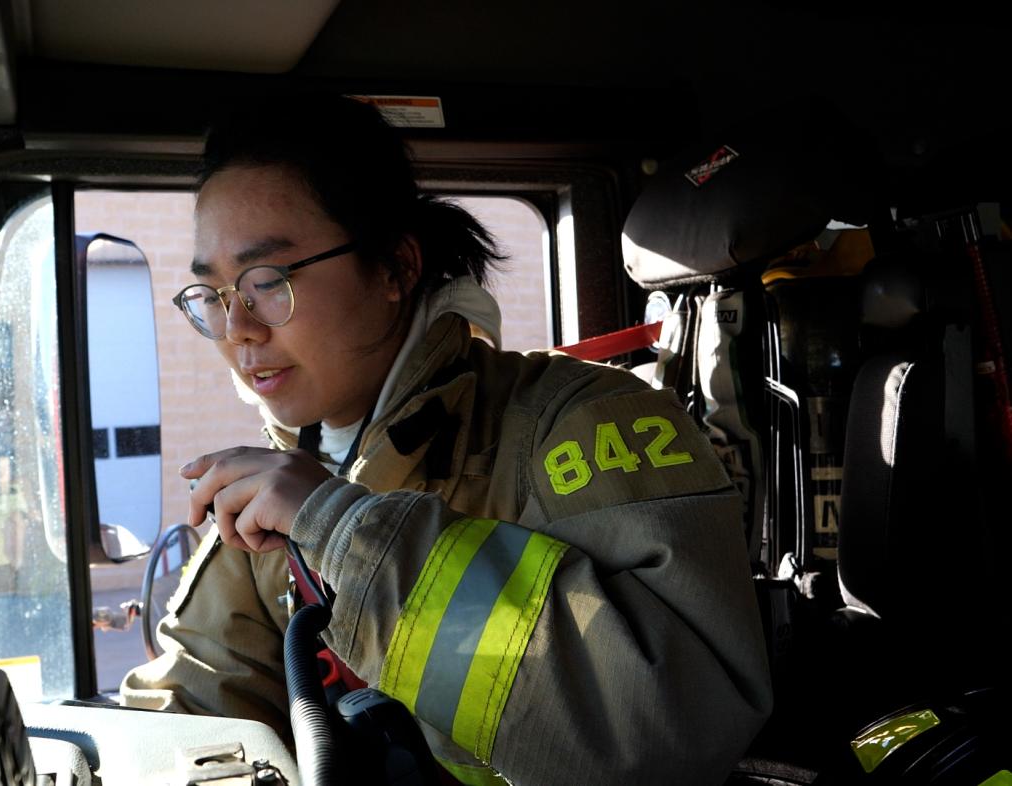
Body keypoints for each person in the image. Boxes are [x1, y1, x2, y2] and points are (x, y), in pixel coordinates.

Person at [121, 94, 772, 785]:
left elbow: (677, 734)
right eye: (213, 296)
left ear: (397, 268)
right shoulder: (282, 488)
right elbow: (197, 714)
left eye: (267, 281)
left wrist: (345, 531)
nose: (238, 329)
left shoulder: (584, 427)